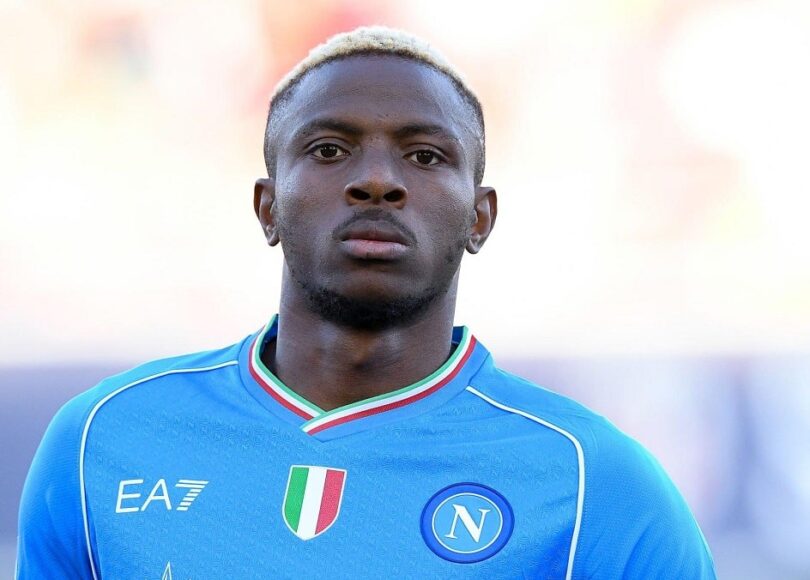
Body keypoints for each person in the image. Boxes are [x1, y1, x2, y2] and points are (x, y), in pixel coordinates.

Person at [16, 26, 716, 579]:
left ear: (480, 218)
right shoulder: (102, 439)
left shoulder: (595, 484)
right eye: (329, 150)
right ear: (267, 208)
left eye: (425, 155)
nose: (377, 180)